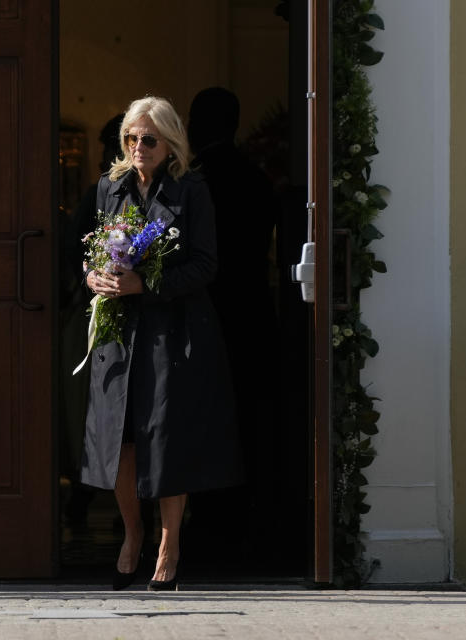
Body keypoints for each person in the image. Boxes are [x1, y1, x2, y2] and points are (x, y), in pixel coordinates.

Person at [81, 96, 245, 591]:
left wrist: (147, 285)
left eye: (148, 139)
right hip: (121, 333)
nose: (138, 147)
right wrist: (94, 278)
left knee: (166, 439)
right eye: (130, 138)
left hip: (173, 333)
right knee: (123, 439)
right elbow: (89, 250)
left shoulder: (191, 190)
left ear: (170, 142)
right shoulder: (110, 188)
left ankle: (169, 546)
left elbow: (206, 264)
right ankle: (133, 537)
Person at [184, 87, 281, 567]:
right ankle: (249, 521)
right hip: (254, 310)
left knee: (207, 414)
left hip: (208, 310)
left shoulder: (195, 182)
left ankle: (210, 520)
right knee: (250, 415)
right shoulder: (259, 180)